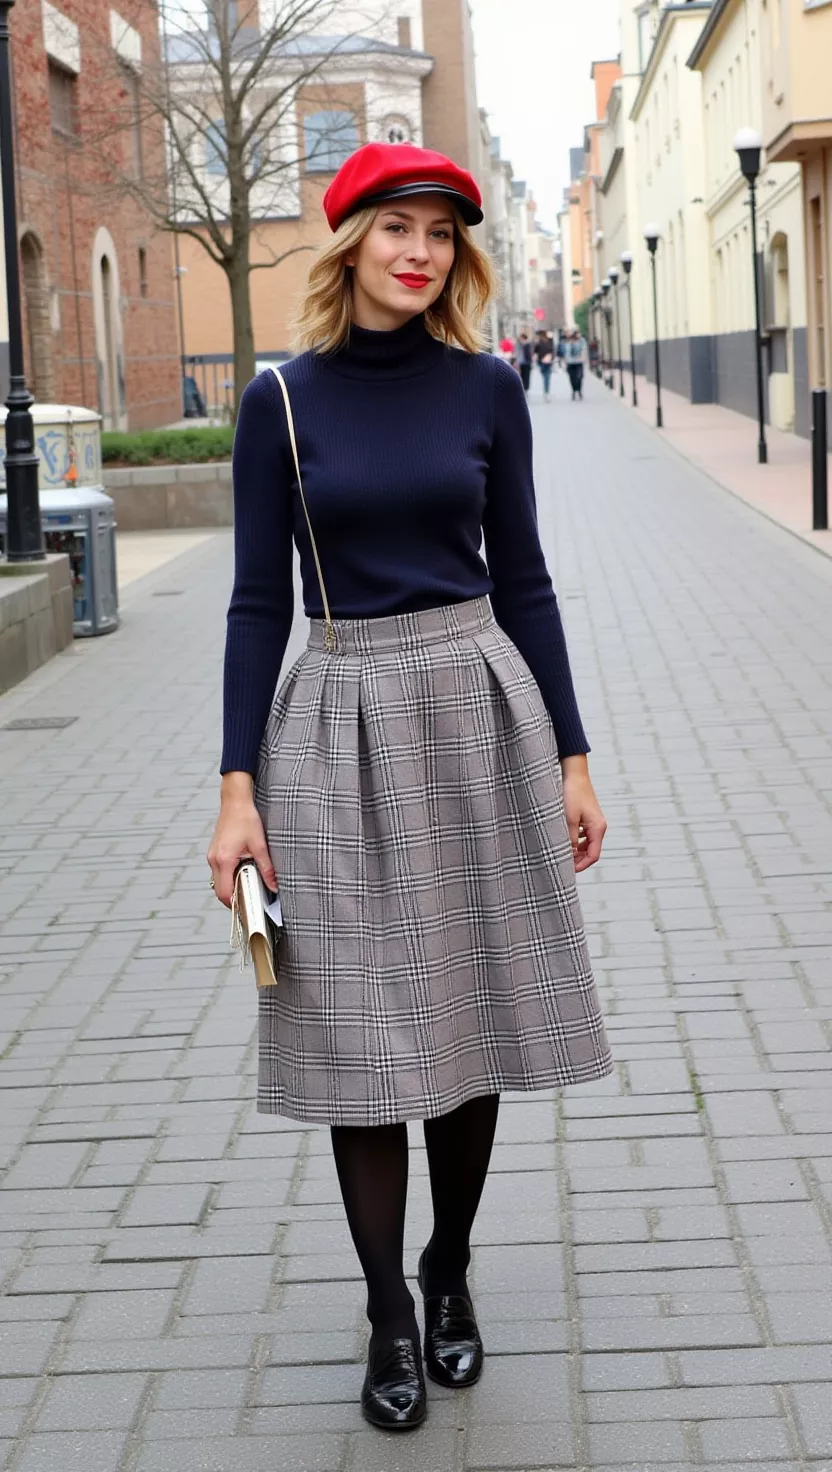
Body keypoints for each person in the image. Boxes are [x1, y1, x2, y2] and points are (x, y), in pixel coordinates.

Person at [208, 140, 611, 1434]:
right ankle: (387, 1303)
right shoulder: (278, 402)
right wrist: (236, 793)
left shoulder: (490, 390)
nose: (420, 251)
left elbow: (532, 578)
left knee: (473, 1009)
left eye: (441, 231)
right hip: (334, 724)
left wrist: (573, 756)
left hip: (479, 713)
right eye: (396, 228)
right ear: (348, 244)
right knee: (358, 1027)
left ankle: (451, 1268)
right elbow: (257, 600)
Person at [566, 329, 587, 400]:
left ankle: (579, 390)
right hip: (570, 363)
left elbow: (584, 349)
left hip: (579, 362)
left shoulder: (581, 341)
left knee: (579, 377)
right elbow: (567, 352)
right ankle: (574, 391)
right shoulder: (568, 342)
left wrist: (583, 358)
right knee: (572, 378)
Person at [535, 328, 555, 400]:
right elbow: (536, 352)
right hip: (541, 362)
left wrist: (550, 357)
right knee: (545, 377)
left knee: (547, 377)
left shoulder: (550, 341)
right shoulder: (539, 342)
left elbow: (553, 351)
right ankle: (546, 391)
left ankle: (546, 391)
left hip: (548, 362)